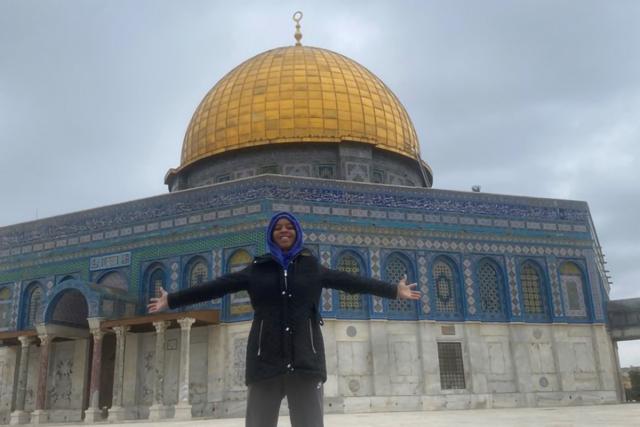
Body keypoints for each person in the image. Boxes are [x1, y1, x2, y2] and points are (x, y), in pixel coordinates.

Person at [148, 211, 420, 427]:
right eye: (278, 228)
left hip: (305, 360)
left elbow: (351, 281)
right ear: (271, 235)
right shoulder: (257, 269)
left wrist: (394, 290)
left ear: (298, 233)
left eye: (289, 227)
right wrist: (171, 299)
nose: (284, 231)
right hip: (265, 359)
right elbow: (216, 286)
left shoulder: (312, 267)